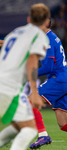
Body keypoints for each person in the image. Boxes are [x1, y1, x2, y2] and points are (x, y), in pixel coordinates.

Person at [0, 3, 50, 150]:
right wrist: (35, 92)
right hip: (7, 86)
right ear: (47, 22)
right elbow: (32, 61)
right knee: (30, 129)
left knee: (19, 126)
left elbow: (3, 60)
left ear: (28, 19)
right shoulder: (39, 36)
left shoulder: (15, 33)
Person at [29, 18, 67, 149]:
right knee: (63, 124)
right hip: (62, 78)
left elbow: (49, 67)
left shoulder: (48, 39)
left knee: (31, 101)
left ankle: (43, 135)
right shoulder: (49, 37)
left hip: (58, 79)